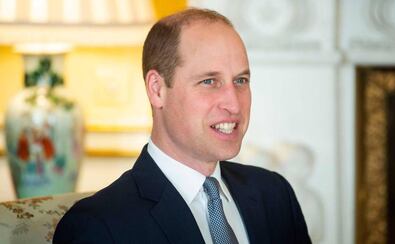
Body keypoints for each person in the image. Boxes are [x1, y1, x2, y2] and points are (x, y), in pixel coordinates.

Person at [53, 8, 311, 244]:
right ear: (157, 90)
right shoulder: (98, 226)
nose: (234, 104)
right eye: (210, 81)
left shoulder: (274, 194)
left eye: (241, 80)